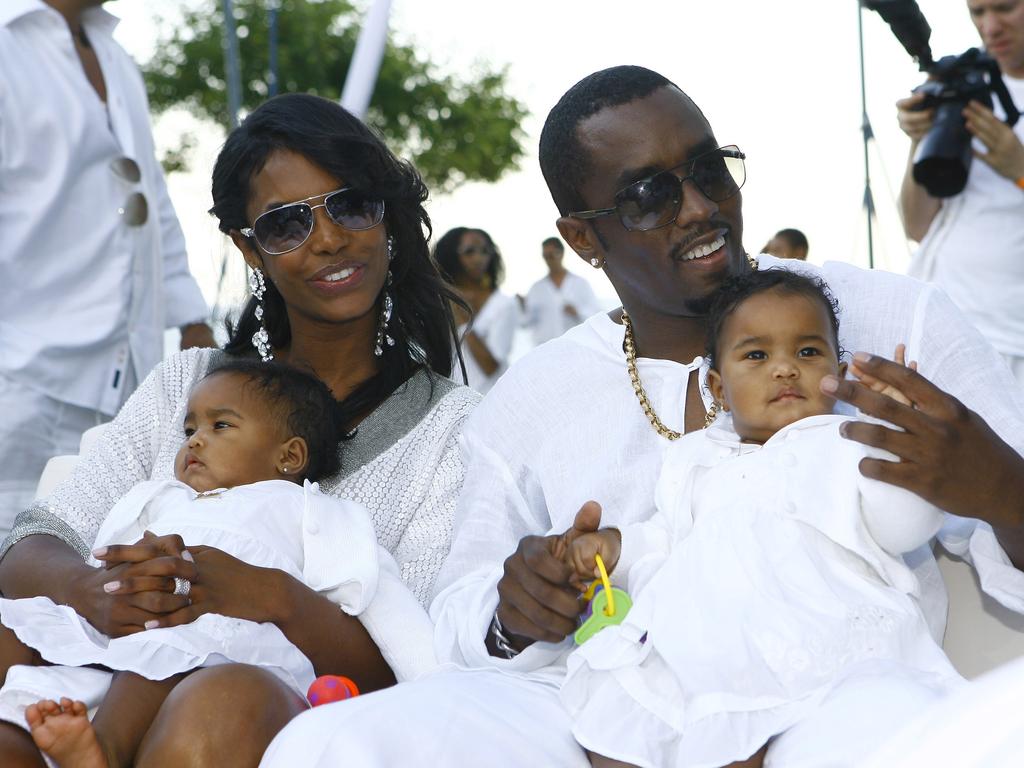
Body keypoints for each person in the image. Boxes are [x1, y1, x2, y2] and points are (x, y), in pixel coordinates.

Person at [261, 66, 1024, 767]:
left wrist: (1001, 491)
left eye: (707, 170)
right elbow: (460, 619)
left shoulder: (894, 318)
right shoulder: (535, 396)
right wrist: (516, 611)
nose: (700, 208)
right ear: (583, 238)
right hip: (593, 705)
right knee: (331, 745)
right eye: (649, 196)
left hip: (830, 691)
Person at [0, 92, 478, 767]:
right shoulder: (186, 384)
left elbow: (423, 662)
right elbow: (35, 543)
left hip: (313, 725)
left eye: (351, 204)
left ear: (385, 215)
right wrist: (93, 589)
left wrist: (268, 595)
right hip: (98, 676)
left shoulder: (451, 428)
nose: (331, 238)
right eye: (287, 224)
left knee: (222, 701)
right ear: (249, 250)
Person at [560, 269, 961, 768]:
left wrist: (899, 438)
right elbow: (667, 539)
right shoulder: (695, 459)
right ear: (719, 388)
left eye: (808, 352)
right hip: (713, 647)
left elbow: (904, 526)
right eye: (757, 355)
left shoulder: (847, 445)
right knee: (620, 723)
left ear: (840, 374)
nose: (785, 369)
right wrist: (616, 550)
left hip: (821, 631)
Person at [0, 360, 435, 767]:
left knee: (175, 643)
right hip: (132, 627)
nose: (195, 439)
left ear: (289, 456)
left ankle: (105, 750)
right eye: (190, 428)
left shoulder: (313, 512)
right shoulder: (164, 497)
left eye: (220, 425)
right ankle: (27, 710)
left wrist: (433, 680)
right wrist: (108, 586)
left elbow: (386, 610)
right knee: (16, 626)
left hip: (226, 638)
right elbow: (109, 551)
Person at [0, 0, 215, 537]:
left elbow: (151, 198)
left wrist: (193, 323)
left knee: (86, 570)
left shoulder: (115, 57)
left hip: (128, 382)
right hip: (23, 378)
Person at [897, 0, 1024, 383]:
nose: (990, 27)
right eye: (977, 12)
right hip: (938, 326)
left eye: (1005, 8)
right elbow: (917, 226)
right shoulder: (961, 81)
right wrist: (920, 140)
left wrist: (1020, 170)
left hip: (1011, 338)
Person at [435, 227, 519, 394]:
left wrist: (464, 322)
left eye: (485, 251)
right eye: (469, 251)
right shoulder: (438, 300)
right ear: (451, 255)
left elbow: (491, 367)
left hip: (490, 397)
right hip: (448, 400)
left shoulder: (502, 304)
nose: (479, 258)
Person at [521, 237, 602, 346]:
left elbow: (596, 314)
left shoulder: (580, 284)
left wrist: (577, 312)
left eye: (552, 255)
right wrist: (521, 306)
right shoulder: (536, 288)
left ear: (562, 253)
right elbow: (525, 322)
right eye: (546, 256)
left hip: (575, 347)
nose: (549, 260)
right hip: (545, 349)